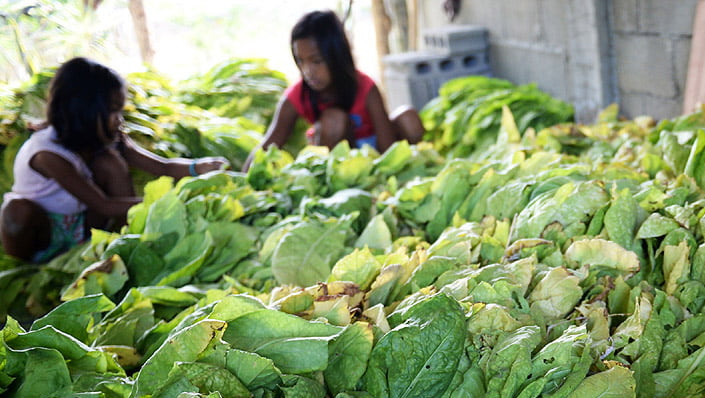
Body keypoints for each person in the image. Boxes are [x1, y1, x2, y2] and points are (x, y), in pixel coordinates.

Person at [0, 57, 228, 263]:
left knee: (110, 161)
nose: (119, 120)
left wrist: (200, 168)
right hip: (45, 232)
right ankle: (30, 264)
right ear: (84, 112)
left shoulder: (103, 136)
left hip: (81, 224)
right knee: (16, 210)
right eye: (113, 111)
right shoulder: (46, 155)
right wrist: (173, 201)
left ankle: (126, 237)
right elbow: (103, 205)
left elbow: (161, 166)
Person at [244, 9, 424, 171]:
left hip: (374, 150)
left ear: (337, 56)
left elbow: (387, 145)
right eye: (301, 61)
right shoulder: (298, 95)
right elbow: (268, 145)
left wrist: (386, 178)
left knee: (409, 118)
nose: (308, 72)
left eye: (316, 61)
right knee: (334, 121)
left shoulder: (366, 87)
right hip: (339, 165)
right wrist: (241, 179)